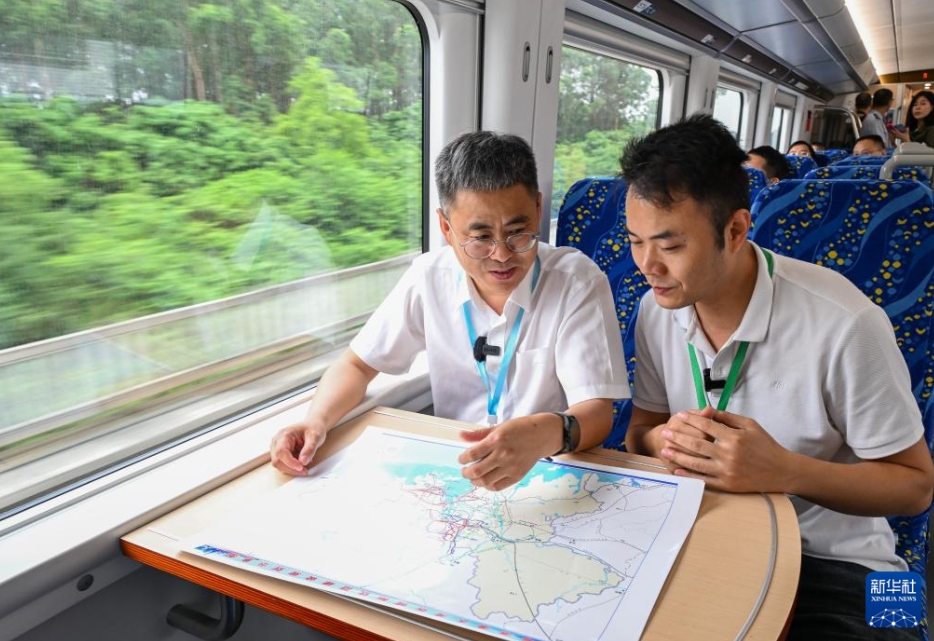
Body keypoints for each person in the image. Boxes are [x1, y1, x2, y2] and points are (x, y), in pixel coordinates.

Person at [619, 114, 933, 640]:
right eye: (634, 241)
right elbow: (641, 432)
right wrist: (667, 440)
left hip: (842, 561)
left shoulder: (847, 322)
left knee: (899, 633)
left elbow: (916, 488)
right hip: (701, 537)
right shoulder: (657, 309)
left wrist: (785, 471)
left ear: (736, 230)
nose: (647, 266)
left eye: (670, 246)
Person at [270, 131, 629, 491]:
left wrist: (543, 434)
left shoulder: (576, 282)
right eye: (481, 238)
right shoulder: (429, 277)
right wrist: (315, 421)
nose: (502, 254)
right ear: (445, 227)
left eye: (518, 232)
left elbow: (597, 414)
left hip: (547, 466)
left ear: (538, 209)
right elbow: (357, 364)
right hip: (455, 472)